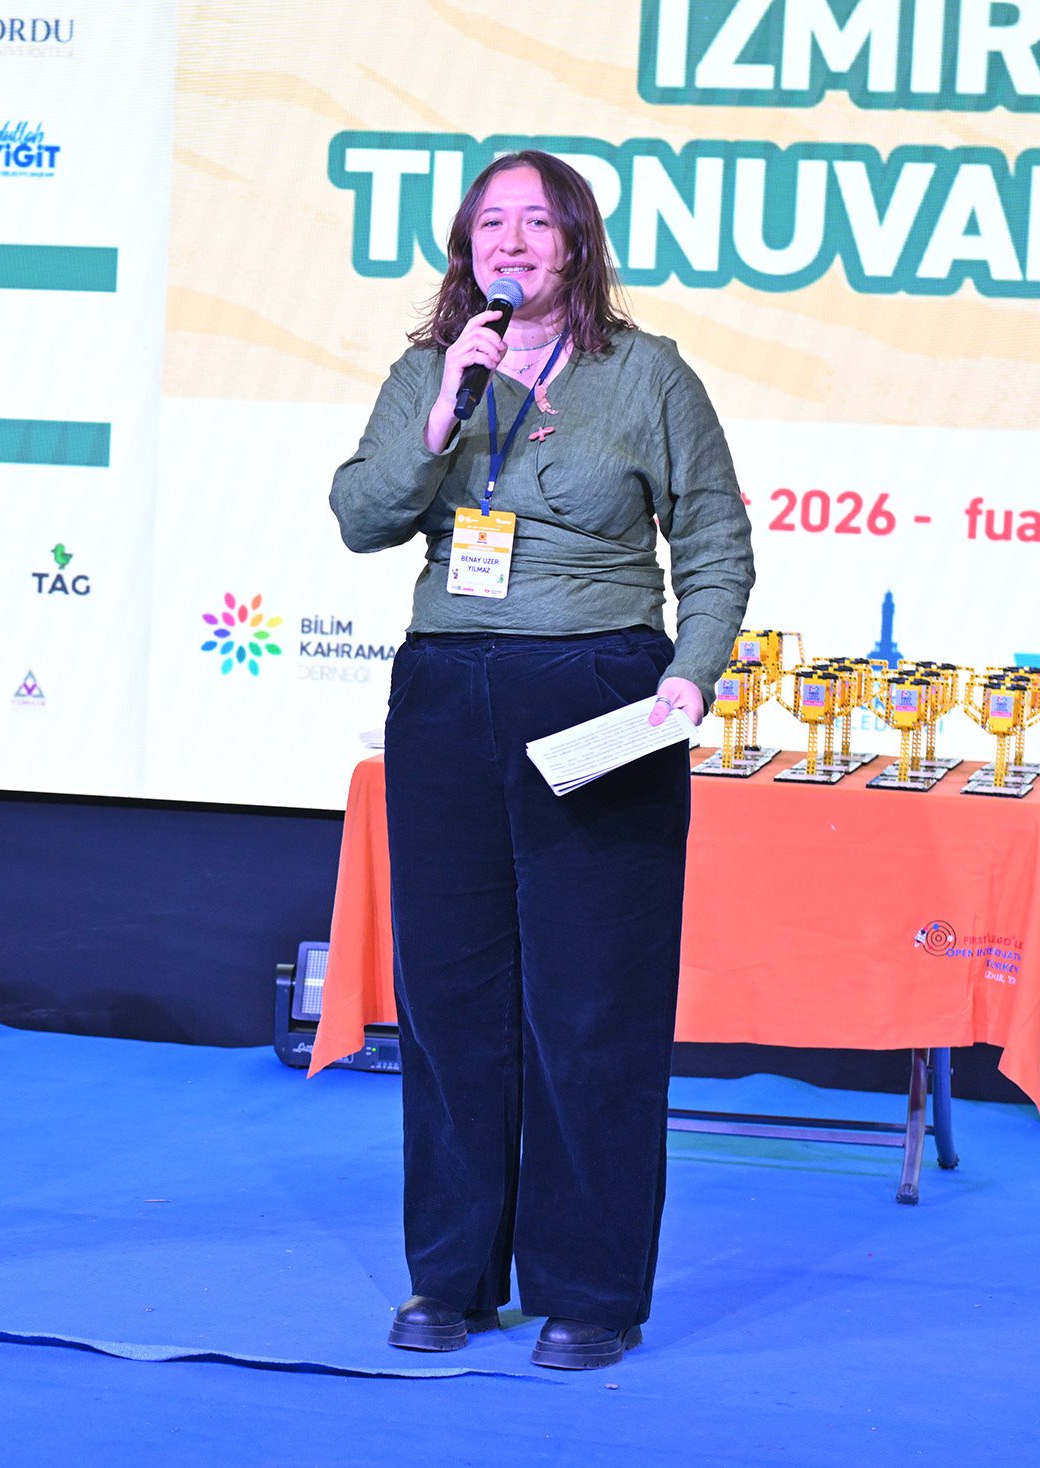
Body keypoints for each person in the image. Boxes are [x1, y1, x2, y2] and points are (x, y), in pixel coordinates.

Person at [328, 151, 754, 1369]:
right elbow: (361, 517)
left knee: (592, 1000)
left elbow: (714, 540)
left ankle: (592, 1290)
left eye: (535, 223)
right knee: (450, 998)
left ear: (576, 243)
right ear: (466, 248)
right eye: (489, 224)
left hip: (596, 690)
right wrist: (440, 412)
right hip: (445, 691)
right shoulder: (430, 366)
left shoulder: (647, 374)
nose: (510, 243)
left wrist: (691, 673)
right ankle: (451, 1275)